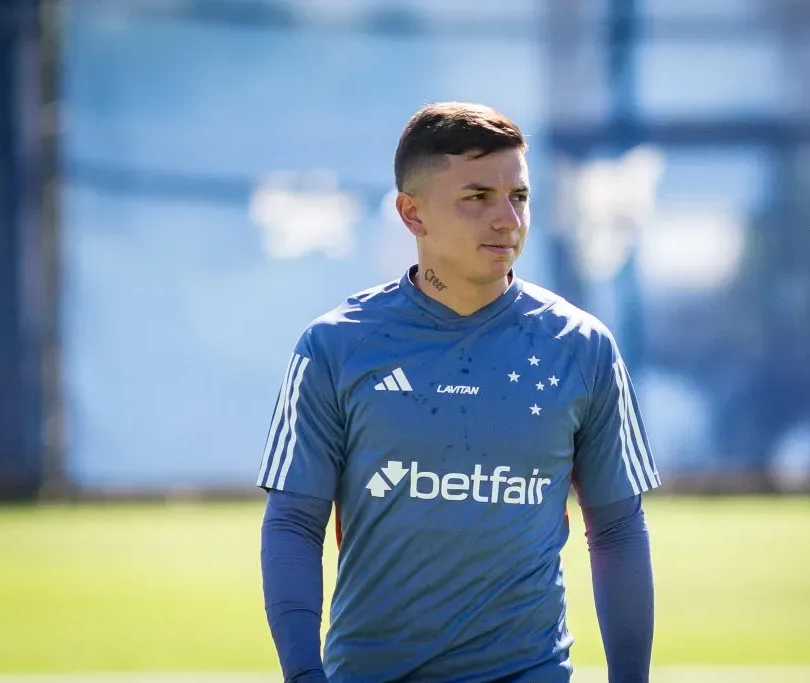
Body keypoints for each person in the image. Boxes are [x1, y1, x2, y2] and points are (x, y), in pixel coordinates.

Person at [257, 102, 661, 682]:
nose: (507, 220)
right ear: (412, 214)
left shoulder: (581, 345)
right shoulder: (334, 347)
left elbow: (618, 528)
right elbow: (294, 522)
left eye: (518, 197)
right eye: (477, 198)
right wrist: (302, 674)